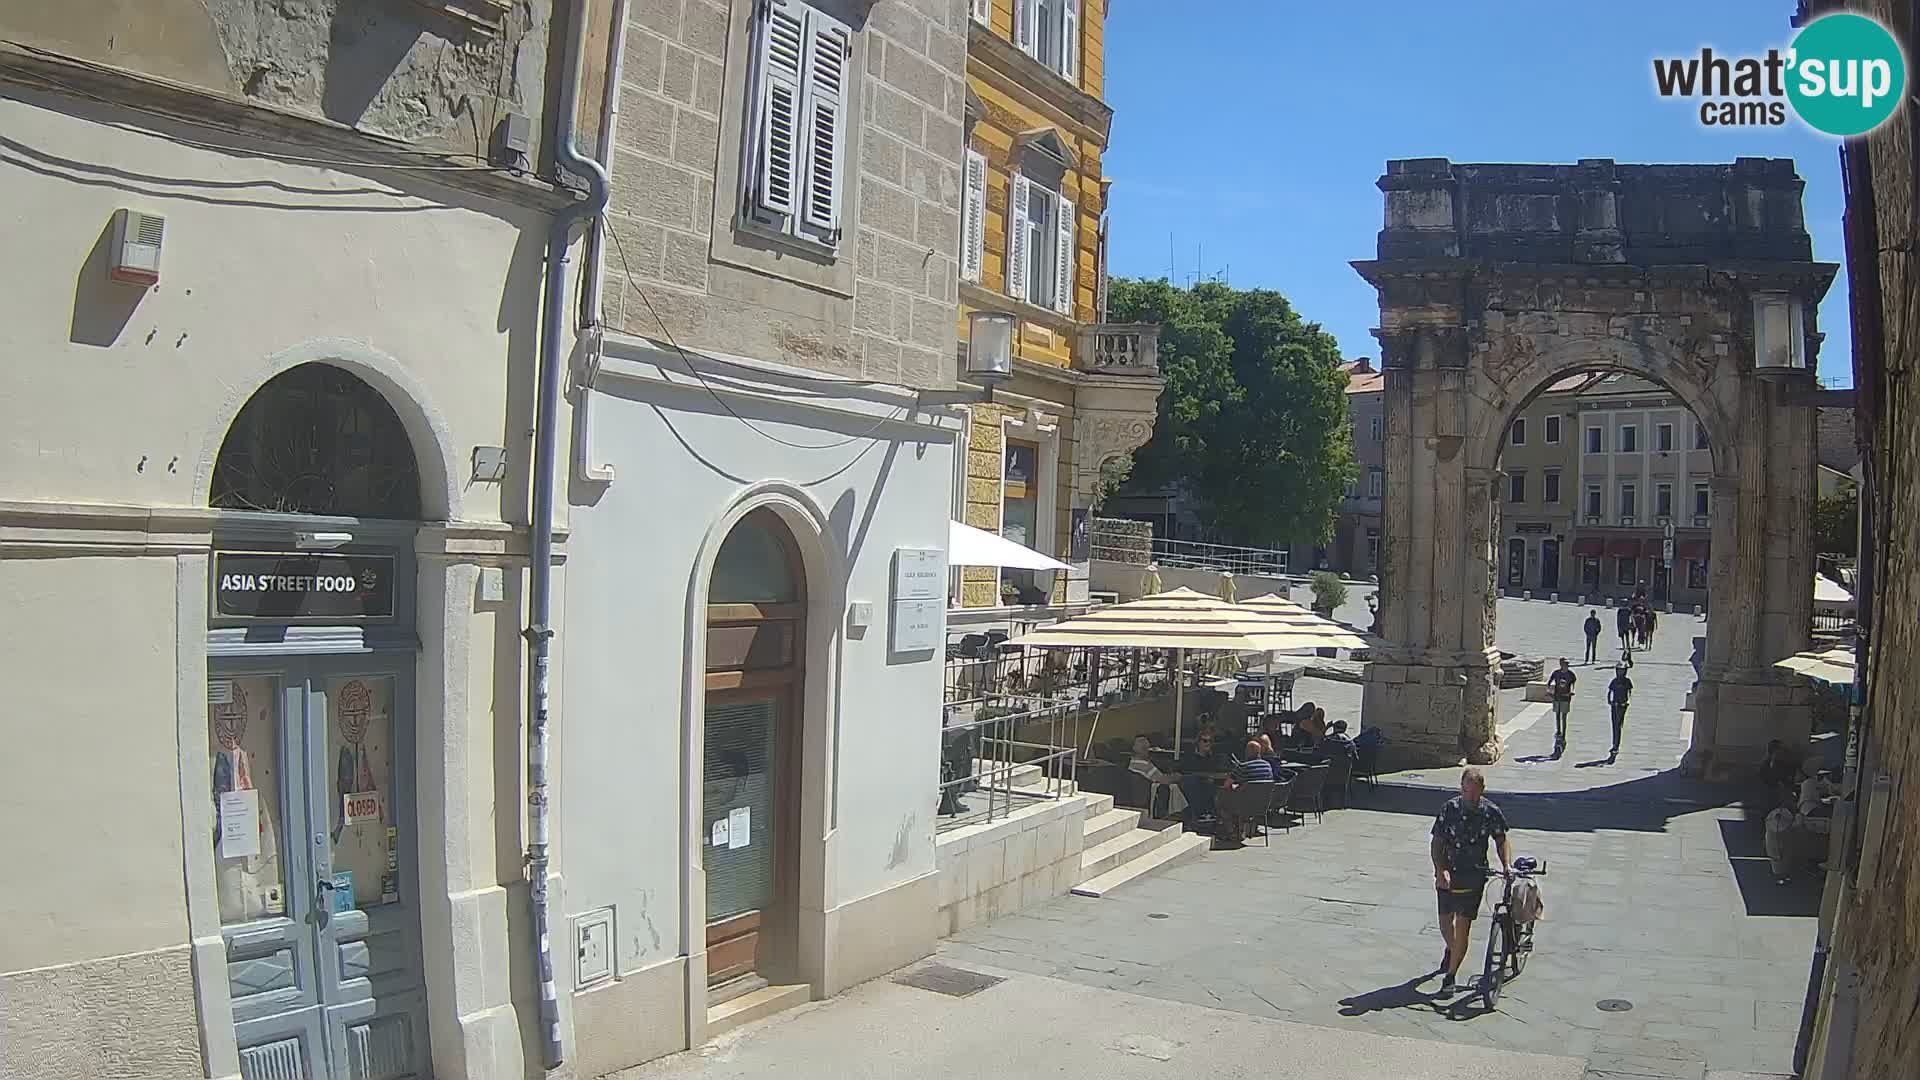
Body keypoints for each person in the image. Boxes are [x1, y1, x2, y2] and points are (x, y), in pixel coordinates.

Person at [1430, 767, 1512, 995]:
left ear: (1482, 790)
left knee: (1463, 926)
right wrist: (1440, 870)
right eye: (1467, 791)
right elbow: (1437, 842)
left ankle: (1451, 976)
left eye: (1475, 793)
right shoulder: (1450, 808)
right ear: (1461, 788)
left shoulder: (1490, 811)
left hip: (1473, 876)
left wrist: (1505, 864)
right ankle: (1451, 948)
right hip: (1448, 873)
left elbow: (1500, 838)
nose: (1471, 797)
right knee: (1445, 922)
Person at [1214, 739, 1276, 848]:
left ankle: (1231, 831)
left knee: (1221, 800)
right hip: (1262, 805)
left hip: (1242, 805)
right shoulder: (1267, 766)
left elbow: (1226, 785)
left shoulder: (1243, 767)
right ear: (1259, 752)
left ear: (1246, 752)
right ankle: (1247, 828)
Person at [1128, 736, 1187, 820]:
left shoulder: (1131, 764)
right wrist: (1177, 776)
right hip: (1153, 795)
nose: (1148, 751)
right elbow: (1164, 780)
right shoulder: (1145, 766)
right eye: (1146, 749)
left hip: (1141, 795)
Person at [1547, 658, 1576, 756]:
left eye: (1567, 664)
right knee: (1557, 715)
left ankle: (1563, 733)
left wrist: (1571, 692)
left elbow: (1572, 685)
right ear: (1561, 664)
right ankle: (1558, 731)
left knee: (1564, 716)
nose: (1566, 666)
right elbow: (1550, 682)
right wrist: (1549, 691)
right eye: (1564, 664)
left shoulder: (1571, 675)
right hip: (1557, 697)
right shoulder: (1556, 673)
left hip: (1565, 698)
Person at [1605, 663, 1633, 760]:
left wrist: (1627, 701)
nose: (1620, 672)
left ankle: (1616, 745)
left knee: (1618, 725)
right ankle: (1614, 744)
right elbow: (1610, 691)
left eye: (1622, 670)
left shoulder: (1627, 681)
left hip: (1622, 705)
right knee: (1614, 724)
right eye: (1618, 670)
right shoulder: (1614, 681)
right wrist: (1609, 700)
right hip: (1615, 704)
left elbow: (1629, 692)